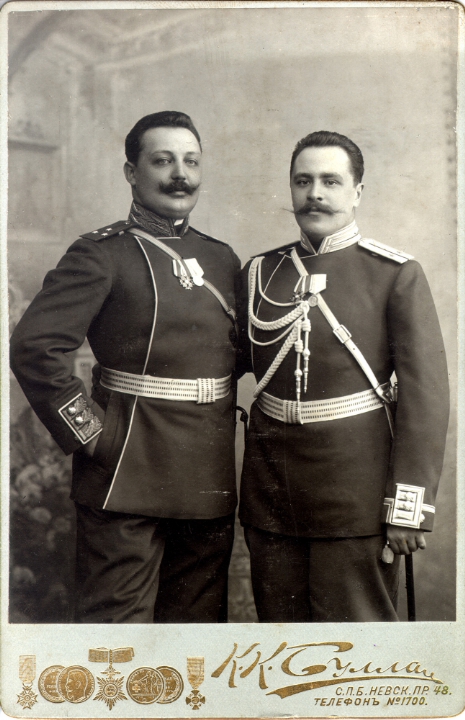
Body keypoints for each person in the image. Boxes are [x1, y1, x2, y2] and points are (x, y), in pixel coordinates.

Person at [10, 111, 241, 623]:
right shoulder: (101, 253)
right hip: (124, 469)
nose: (179, 174)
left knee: (196, 641)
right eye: (163, 161)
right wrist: (93, 434)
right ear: (131, 172)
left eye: (191, 162)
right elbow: (34, 346)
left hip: (206, 475)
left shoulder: (222, 259)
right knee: (115, 640)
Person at [238, 130, 449, 622]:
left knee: (357, 649)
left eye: (330, 181)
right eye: (303, 181)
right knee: (278, 647)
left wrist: (407, 509)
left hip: (356, 497)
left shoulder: (394, 273)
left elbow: (426, 398)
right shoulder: (260, 273)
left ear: (357, 192)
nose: (314, 193)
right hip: (272, 495)